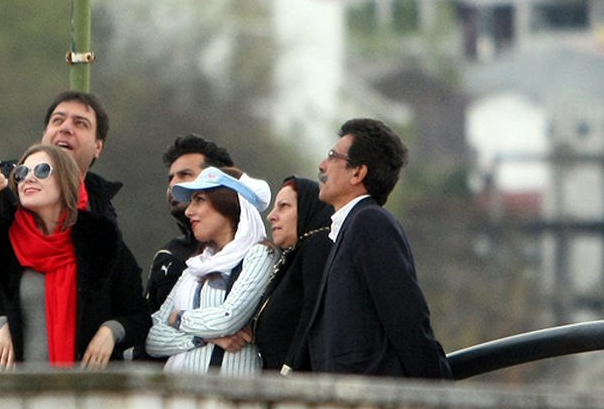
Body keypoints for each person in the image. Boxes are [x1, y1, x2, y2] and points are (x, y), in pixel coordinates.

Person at [0, 144, 150, 366]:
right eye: (22, 173)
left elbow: (140, 318)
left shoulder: (101, 240)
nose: (29, 178)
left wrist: (111, 331)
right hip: (14, 395)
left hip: (86, 395)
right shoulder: (2, 245)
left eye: (42, 170)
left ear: (66, 181)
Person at [300, 118, 452, 379]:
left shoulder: (370, 223)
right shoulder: (348, 229)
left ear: (357, 172)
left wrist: (437, 389)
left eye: (332, 156)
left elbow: (406, 318)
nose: (322, 166)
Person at [145, 167, 275, 373]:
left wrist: (178, 318)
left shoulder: (259, 255)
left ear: (228, 204)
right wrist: (204, 337)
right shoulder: (194, 267)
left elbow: (228, 318)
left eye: (199, 199)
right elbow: (152, 338)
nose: (188, 211)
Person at [0, 90, 119, 239]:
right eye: (58, 120)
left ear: (98, 146)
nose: (65, 128)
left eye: (80, 123)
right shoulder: (11, 178)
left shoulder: (101, 206)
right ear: (44, 135)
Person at [251, 176, 333, 373]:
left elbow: (312, 310)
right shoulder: (293, 256)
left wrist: (289, 368)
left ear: (307, 209)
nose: (271, 216)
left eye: (284, 206)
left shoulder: (318, 243)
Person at [146, 134, 235, 312]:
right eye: (170, 179)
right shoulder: (168, 255)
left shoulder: (252, 253)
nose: (173, 185)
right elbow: (150, 326)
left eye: (185, 175)